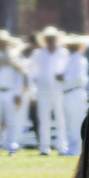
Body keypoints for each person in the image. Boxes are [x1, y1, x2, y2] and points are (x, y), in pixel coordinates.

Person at [27, 28, 65, 156]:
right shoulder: (38, 53)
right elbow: (31, 73)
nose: (50, 40)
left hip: (60, 91)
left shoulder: (63, 53)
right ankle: (44, 147)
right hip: (43, 91)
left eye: (52, 37)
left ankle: (62, 146)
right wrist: (33, 91)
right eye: (48, 37)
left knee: (60, 118)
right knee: (44, 119)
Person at [57, 35, 87, 155]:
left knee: (76, 122)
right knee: (69, 122)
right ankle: (70, 148)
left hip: (75, 92)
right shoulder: (70, 59)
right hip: (68, 93)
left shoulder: (79, 59)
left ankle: (77, 149)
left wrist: (64, 78)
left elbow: (80, 79)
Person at [0, 35, 26, 155]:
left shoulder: (14, 57)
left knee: (10, 120)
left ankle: (11, 145)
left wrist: (18, 93)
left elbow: (20, 76)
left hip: (10, 91)